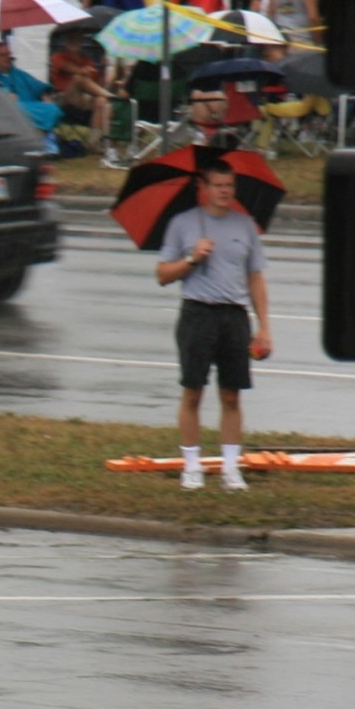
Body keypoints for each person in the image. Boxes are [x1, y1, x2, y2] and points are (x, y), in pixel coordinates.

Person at [153, 155, 271, 490]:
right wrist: (192, 259)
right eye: (217, 185)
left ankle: (230, 467)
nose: (224, 191)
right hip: (197, 313)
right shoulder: (183, 223)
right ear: (202, 187)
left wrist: (264, 326)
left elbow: (256, 278)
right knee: (193, 392)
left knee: (232, 395)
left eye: (229, 185)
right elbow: (162, 275)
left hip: (234, 316)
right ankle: (191, 466)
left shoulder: (244, 225)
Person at [0, 40, 60, 136]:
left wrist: (44, 96)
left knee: (52, 109)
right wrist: (5, 95)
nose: (7, 58)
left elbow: (38, 87)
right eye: (3, 55)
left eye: (8, 54)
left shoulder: (18, 73)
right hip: (6, 111)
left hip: (29, 107)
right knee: (17, 110)